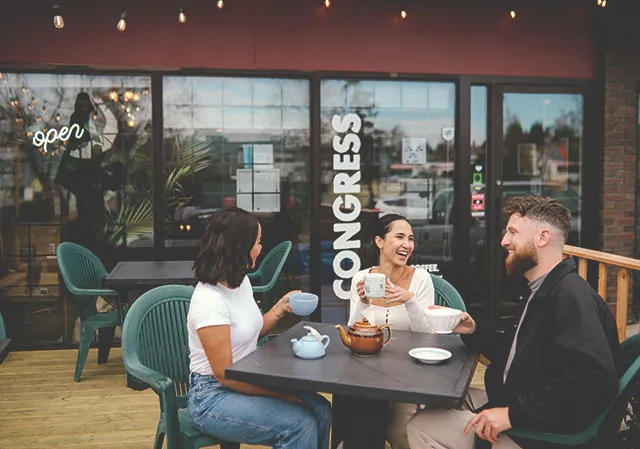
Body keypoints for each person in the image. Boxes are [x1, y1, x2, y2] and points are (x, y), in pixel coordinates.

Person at [406, 195, 620, 449]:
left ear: (542, 237)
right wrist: (473, 330)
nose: (503, 241)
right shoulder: (542, 288)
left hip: (541, 436)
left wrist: (511, 415)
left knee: (421, 426)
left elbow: (593, 379)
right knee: (443, 402)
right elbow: (516, 353)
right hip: (521, 406)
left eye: (512, 232)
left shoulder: (570, 297)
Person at [187, 207, 332, 449]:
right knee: (299, 423)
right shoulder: (209, 301)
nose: (261, 247)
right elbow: (224, 375)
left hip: (245, 377)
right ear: (239, 248)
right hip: (212, 396)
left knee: (321, 409)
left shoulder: (240, 281)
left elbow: (247, 334)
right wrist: (282, 396)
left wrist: (278, 309)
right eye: (257, 242)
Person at [348, 213, 436, 449]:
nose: (407, 245)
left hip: (409, 370)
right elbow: (353, 333)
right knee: (359, 415)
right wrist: (364, 303)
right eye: (399, 237)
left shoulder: (421, 279)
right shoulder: (361, 278)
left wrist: (410, 301)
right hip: (370, 369)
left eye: (411, 238)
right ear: (380, 242)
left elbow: (429, 336)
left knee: (401, 435)